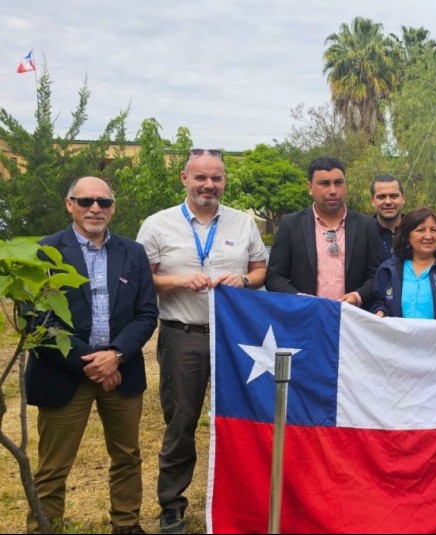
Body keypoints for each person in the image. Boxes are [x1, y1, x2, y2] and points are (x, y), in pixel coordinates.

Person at [136, 148, 268, 534]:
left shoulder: (244, 223)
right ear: (184, 178)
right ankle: (172, 504)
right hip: (183, 336)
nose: (209, 185)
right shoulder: (158, 225)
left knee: (243, 421)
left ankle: (244, 499)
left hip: (236, 339)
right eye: (200, 178)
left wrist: (243, 280)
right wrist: (177, 281)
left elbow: (260, 269)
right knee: (181, 421)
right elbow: (143, 278)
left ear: (224, 181)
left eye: (216, 178)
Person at [26, 177, 158, 534]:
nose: (95, 208)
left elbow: (147, 313)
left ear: (113, 207)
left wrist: (115, 355)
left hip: (122, 370)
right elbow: (37, 319)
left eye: (103, 201)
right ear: (69, 204)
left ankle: (127, 524)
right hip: (64, 372)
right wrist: (92, 363)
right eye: (85, 201)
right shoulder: (45, 252)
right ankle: (44, 527)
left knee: (128, 457)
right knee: (53, 465)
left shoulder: (133, 252)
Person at [266, 156, 383, 306]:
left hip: (352, 320)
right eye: (324, 184)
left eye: (338, 183)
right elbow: (274, 277)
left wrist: (357, 296)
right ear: (309, 187)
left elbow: (377, 275)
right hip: (305, 318)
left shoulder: (367, 225)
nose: (333, 190)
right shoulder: (291, 224)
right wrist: (300, 298)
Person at [371, 173, 405, 261]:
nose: (388, 202)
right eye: (381, 197)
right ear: (372, 201)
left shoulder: (415, 230)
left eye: (394, 196)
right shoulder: (363, 234)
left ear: (403, 199)